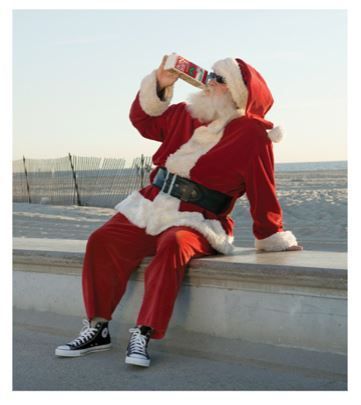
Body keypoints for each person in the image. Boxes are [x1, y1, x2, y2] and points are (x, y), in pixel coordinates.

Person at [55, 55, 303, 367]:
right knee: (102, 240)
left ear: (238, 93)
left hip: (198, 219)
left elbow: (262, 189)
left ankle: (143, 332)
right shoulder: (186, 113)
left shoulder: (253, 134)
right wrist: (160, 83)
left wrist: (271, 236)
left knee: (174, 245)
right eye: (211, 75)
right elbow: (144, 122)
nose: (210, 81)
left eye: (220, 79)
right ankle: (97, 328)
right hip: (150, 205)